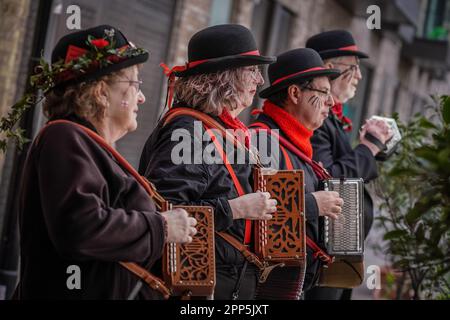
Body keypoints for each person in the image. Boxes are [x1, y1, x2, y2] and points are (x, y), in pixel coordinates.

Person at [13, 25, 196, 299]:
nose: (142, 97)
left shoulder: (84, 142)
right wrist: (162, 227)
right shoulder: (63, 137)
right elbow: (81, 228)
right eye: (134, 84)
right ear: (100, 92)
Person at [139, 24, 277, 300]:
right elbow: (168, 213)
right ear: (225, 77)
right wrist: (235, 208)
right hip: (198, 286)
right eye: (252, 70)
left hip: (224, 280)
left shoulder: (216, 128)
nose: (260, 80)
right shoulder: (188, 129)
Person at [305, 30, 392, 300]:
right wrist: (368, 148)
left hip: (338, 249)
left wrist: (375, 148)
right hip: (323, 252)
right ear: (330, 69)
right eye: (353, 68)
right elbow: (331, 180)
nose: (359, 76)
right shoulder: (317, 121)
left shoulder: (331, 119)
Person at [251, 48, 343, 299]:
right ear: (294, 93)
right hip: (267, 289)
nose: (331, 102)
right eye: (323, 92)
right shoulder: (262, 141)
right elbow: (255, 215)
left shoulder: (294, 142)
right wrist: (313, 205)